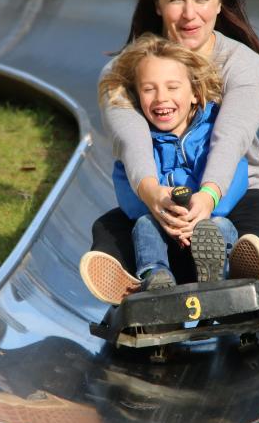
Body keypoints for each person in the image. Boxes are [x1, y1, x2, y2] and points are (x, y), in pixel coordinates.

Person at [81, 0, 259, 304]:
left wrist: (209, 198)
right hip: (158, 199)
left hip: (234, 194)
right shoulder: (124, 73)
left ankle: (245, 265)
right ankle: (137, 281)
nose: (189, 14)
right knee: (112, 227)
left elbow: (230, 140)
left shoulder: (243, 66)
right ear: (158, 4)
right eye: (176, 0)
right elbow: (132, 142)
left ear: (218, 3)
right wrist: (155, 198)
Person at [80, 34, 248, 304]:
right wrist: (160, 211)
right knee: (144, 224)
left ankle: (218, 272)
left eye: (172, 87)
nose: (161, 98)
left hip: (203, 219)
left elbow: (236, 171)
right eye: (149, 89)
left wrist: (204, 207)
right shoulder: (143, 142)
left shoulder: (209, 135)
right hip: (162, 225)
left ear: (195, 94)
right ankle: (155, 275)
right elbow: (127, 190)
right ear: (137, 96)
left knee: (221, 225)